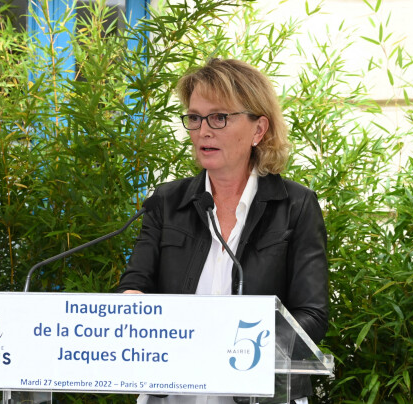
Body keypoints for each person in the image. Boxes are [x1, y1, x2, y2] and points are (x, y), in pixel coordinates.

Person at [117, 58, 328, 404]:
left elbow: (312, 315)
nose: (203, 130)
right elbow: (135, 285)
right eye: (195, 117)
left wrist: (230, 344)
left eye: (219, 117)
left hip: (261, 395)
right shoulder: (166, 201)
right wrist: (132, 305)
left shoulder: (296, 206)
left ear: (258, 130)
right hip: (171, 395)